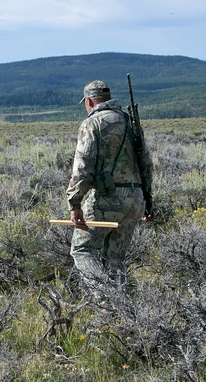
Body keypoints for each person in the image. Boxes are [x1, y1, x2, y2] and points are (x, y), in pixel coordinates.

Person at [65, 80, 153, 297]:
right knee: (115, 258)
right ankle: (120, 312)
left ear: (89, 101)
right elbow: (146, 163)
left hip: (107, 198)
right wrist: (148, 201)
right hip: (135, 199)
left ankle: (106, 300)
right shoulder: (128, 121)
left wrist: (74, 202)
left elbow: (82, 167)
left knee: (82, 250)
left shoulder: (91, 123)